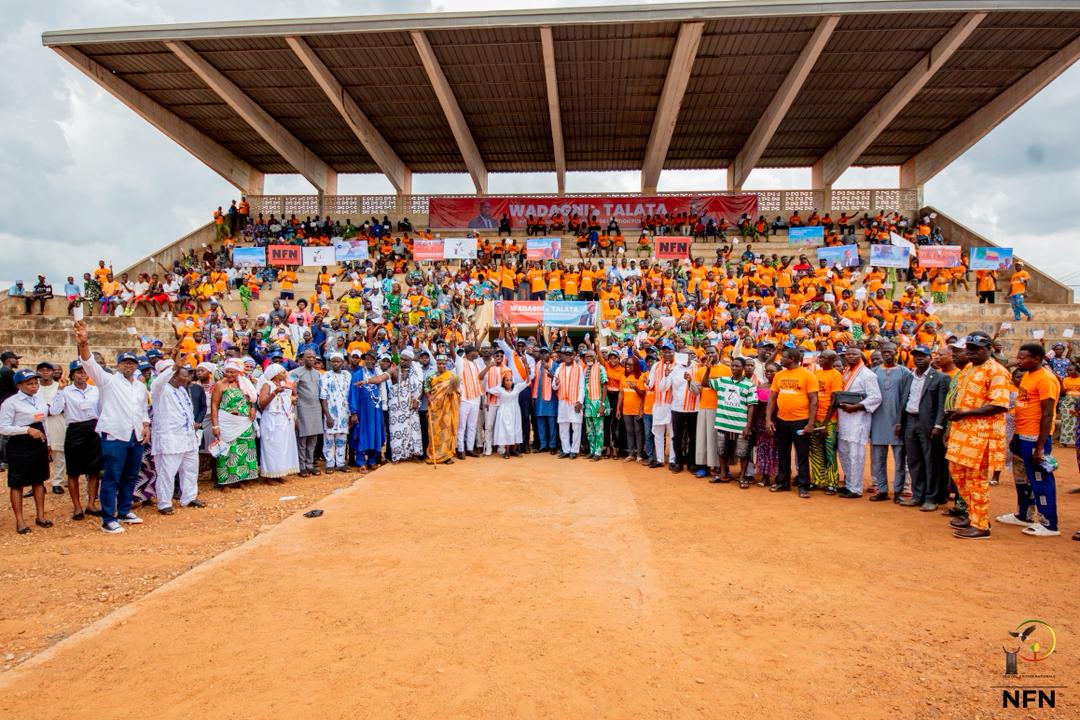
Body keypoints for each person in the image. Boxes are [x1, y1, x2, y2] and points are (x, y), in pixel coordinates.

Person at [74, 321, 150, 534]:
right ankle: (108, 518)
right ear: (118, 365)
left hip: (135, 436)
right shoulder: (108, 381)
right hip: (115, 435)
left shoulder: (140, 386)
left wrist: (146, 425)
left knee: (131, 475)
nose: (129, 366)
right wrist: (83, 343)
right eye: (125, 363)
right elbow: (90, 364)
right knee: (111, 477)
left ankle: (124, 511)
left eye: (132, 363)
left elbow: (143, 409)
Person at [945, 332, 1011, 540]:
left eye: (975, 349)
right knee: (957, 474)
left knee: (977, 480)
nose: (970, 353)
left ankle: (981, 525)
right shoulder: (968, 368)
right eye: (969, 349)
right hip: (962, 432)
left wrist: (965, 413)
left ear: (989, 348)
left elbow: (999, 405)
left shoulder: (997, 371)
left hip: (981, 435)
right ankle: (974, 515)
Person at [997, 343, 1060, 537]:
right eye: (1019, 357)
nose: (1019, 360)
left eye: (1023, 358)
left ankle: (1049, 524)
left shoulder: (1046, 379)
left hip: (1035, 438)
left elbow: (1048, 415)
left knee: (1040, 479)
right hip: (1021, 434)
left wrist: (1040, 447)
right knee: (1022, 477)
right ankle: (1023, 514)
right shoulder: (1027, 375)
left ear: (1037, 358)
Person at [0, 369, 52, 533]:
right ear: (19, 385)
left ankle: (40, 516)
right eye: (29, 383)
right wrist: (26, 430)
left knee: (39, 480)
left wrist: (48, 443)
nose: (34, 386)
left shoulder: (39, 400)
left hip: (39, 443)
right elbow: (3, 428)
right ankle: (20, 520)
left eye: (35, 383)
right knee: (17, 483)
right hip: (20, 444)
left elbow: (44, 422)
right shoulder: (10, 403)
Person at [898, 345, 949, 511]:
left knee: (931, 461)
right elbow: (903, 400)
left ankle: (931, 497)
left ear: (930, 358)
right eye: (916, 356)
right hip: (909, 421)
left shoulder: (940, 378)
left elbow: (942, 404)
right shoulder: (908, 377)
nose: (919, 358)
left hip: (928, 423)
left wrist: (938, 425)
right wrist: (900, 422)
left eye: (923, 356)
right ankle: (917, 495)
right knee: (914, 460)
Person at [50, 360, 102, 519]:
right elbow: (54, 410)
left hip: (93, 429)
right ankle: (77, 507)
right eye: (79, 372)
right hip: (75, 430)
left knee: (94, 470)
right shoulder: (65, 391)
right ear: (72, 375)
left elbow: (101, 410)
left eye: (85, 371)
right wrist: (59, 390)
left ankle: (91, 504)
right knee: (73, 471)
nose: (82, 375)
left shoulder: (96, 390)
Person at [150, 363, 203, 514]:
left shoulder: (182, 390)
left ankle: (189, 497)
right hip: (170, 439)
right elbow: (157, 382)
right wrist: (173, 367)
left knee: (191, 469)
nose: (188, 378)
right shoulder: (160, 390)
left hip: (188, 438)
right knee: (167, 472)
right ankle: (164, 503)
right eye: (184, 375)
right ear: (173, 376)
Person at [766, 347, 818, 498]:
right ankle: (783, 483)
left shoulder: (807, 375)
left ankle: (803, 486)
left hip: (801, 421)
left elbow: (814, 400)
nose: (780, 359)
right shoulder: (779, 375)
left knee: (802, 454)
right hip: (782, 420)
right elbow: (772, 398)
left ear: (793, 359)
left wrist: (810, 423)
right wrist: (768, 419)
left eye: (783, 357)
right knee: (783, 453)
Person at [836, 346, 883, 499]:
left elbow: (875, 397)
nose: (849, 356)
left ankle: (856, 488)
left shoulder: (867, 375)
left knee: (855, 453)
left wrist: (855, 406)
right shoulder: (847, 372)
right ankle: (849, 483)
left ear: (861, 355)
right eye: (847, 354)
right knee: (844, 452)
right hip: (844, 418)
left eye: (853, 354)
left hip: (858, 418)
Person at [869, 341, 912, 502]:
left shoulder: (905, 373)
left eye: (890, 352)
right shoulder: (874, 373)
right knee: (878, 458)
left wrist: (901, 421)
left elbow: (906, 398)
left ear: (897, 352)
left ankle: (899, 491)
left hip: (897, 422)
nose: (887, 354)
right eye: (884, 352)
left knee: (900, 460)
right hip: (878, 421)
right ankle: (882, 490)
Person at [210, 358, 259, 490]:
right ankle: (225, 482)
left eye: (233, 372)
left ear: (239, 372)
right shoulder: (220, 385)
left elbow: (252, 398)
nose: (229, 375)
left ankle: (240, 479)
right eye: (227, 372)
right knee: (226, 451)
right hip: (226, 422)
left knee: (244, 450)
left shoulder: (245, 383)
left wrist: (253, 408)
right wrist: (215, 425)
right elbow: (214, 405)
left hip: (244, 422)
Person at [708, 356, 756, 488]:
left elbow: (752, 406)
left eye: (737, 366)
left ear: (744, 368)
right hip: (723, 422)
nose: (734, 368)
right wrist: (707, 369)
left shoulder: (749, 385)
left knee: (743, 452)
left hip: (740, 424)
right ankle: (723, 474)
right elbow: (705, 383)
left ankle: (742, 476)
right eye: (733, 366)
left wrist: (748, 425)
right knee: (722, 450)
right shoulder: (723, 381)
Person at [257, 364, 300, 480]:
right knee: (271, 448)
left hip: (283, 420)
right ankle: (269, 476)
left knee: (281, 448)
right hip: (271, 420)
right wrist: (274, 392)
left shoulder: (283, 385)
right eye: (282, 372)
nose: (285, 373)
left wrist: (292, 400)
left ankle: (279, 473)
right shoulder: (267, 385)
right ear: (275, 375)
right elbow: (262, 404)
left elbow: (285, 403)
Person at [809, 350, 843, 493]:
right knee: (815, 451)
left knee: (829, 452)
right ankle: (818, 480)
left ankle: (832, 482)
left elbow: (834, 400)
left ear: (832, 359)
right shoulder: (816, 373)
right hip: (815, 419)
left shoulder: (836, 375)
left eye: (824, 357)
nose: (820, 359)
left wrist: (824, 423)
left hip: (828, 421)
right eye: (820, 357)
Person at [349, 351, 390, 470]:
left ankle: (372, 461)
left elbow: (385, 392)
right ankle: (361, 462)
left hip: (376, 412)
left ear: (376, 361)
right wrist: (354, 412)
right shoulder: (358, 375)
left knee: (375, 435)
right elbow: (352, 394)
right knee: (363, 435)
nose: (370, 361)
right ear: (364, 360)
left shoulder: (379, 375)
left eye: (372, 359)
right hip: (363, 412)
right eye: (367, 359)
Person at [387, 349, 423, 462]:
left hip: (411, 407)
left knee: (414, 431)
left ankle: (415, 454)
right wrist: (368, 381)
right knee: (396, 431)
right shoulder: (394, 371)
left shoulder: (417, 371)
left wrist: (417, 399)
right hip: (397, 409)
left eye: (405, 359)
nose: (401, 361)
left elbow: (421, 387)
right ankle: (397, 455)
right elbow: (382, 378)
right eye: (401, 359)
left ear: (411, 361)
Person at [36, 362, 67, 495]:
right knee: (37, 454)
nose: (45, 373)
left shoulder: (60, 387)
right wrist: (45, 411)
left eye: (48, 370)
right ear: (38, 372)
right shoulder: (33, 387)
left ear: (52, 372)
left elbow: (63, 406)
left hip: (57, 422)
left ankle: (57, 482)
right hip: (38, 423)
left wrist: (51, 409)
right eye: (42, 370)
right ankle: (37, 483)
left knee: (58, 452)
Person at [292, 349, 324, 476]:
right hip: (302, 408)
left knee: (313, 438)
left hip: (316, 408)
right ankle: (302, 465)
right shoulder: (295, 373)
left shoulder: (318, 373)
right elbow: (292, 391)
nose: (311, 359)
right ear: (303, 358)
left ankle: (310, 464)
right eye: (308, 357)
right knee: (302, 438)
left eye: (313, 357)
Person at [423, 354, 459, 465]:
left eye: (443, 364)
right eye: (439, 364)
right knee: (434, 432)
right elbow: (426, 388)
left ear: (446, 364)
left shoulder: (451, 377)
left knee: (447, 431)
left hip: (447, 408)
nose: (441, 366)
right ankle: (434, 455)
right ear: (436, 364)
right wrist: (430, 398)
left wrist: (451, 394)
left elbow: (457, 391)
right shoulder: (431, 376)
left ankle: (446, 456)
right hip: (434, 408)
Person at [319, 352, 352, 472]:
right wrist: (328, 415)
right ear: (331, 362)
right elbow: (323, 397)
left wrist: (351, 414)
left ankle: (341, 463)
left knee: (342, 439)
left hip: (344, 413)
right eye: (334, 361)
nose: (336, 363)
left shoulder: (347, 375)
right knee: (328, 439)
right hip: (331, 413)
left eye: (338, 361)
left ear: (343, 362)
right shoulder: (326, 376)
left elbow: (350, 395)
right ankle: (329, 463)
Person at [490, 370, 530, 458]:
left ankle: (514, 450)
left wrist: (527, 371)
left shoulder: (517, 388)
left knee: (516, 429)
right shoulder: (499, 389)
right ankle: (506, 451)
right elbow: (489, 390)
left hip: (515, 411)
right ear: (503, 382)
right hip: (504, 411)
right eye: (507, 380)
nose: (509, 382)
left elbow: (527, 381)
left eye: (510, 380)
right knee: (507, 430)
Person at [454, 344, 484, 459]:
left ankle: (470, 449)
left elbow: (480, 378)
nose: (477, 353)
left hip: (476, 398)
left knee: (472, 426)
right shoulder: (461, 362)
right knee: (462, 426)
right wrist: (452, 343)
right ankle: (460, 449)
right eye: (475, 351)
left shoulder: (476, 364)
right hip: (464, 399)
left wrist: (489, 366)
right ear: (470, 353)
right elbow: (453, 353)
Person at [580, 350, 609, 461]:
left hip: (597, 403)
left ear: (595, 356)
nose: (589, 358)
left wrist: (602, 405)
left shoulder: (600, 368)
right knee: (589, 430)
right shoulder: (584, 369)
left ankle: (598, 452)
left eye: (591, 356)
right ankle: (592, 450)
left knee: (599, 429)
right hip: (587, 404)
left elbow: (605, 386)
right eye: (587, 356)